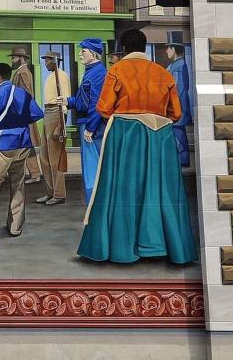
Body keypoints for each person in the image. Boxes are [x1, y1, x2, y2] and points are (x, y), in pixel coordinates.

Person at [77, 29, 196, 265]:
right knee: (161, 189)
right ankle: (165, 246)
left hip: (126, 133)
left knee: (123, 188)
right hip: (160, 136)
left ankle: (121, 248)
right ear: (144, 47)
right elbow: (176, 113)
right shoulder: (163, 73)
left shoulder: (117, 70)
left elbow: (103, 108)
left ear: (124, 48)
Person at [0, 62, 44, 239]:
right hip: (23, 144)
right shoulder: (22, 94)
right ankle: (15, 227)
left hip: (2, 146)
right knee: (18, 186)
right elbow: (37, 114)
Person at [65, 38, 107, 201]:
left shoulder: (97, 73)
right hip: (89, 123)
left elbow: (96, 103)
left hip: (92, 126)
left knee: (91, 168)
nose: (80, 54)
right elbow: (84, 99)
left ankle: (94, 203)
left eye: (83, 51)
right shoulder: (92, 71)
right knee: (92, 167)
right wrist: (68, 101)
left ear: (94, 54)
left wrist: (90, 128)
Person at [35, 50, 71, 205]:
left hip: (56, 113)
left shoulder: (61, 76)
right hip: (48, 112)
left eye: (48, 60)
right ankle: (49, 192)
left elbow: (65, 101)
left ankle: (59, 193)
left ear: (55, 61)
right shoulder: (50, 77)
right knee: (45, 156)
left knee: (56, 157)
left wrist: (61, 124)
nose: (45, 62)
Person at [8, 46, 43, 187]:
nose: (12, 60)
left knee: (24, 144)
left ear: (20, 58)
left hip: (23, 115)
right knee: (27, 145)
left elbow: (26, 95)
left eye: (14, 57)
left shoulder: (22, 73)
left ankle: (33, 174)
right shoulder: (21, 71)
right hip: (23, 114)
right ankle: (34, 173)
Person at [166, 44, 194, 167]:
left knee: (179, 134)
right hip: (179, 107)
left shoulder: (178, 66)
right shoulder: (177, 65)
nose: (166, 51)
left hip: (177, 107)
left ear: (174, 49)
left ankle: (183, 160)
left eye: (168, 48)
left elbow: (177, 89)